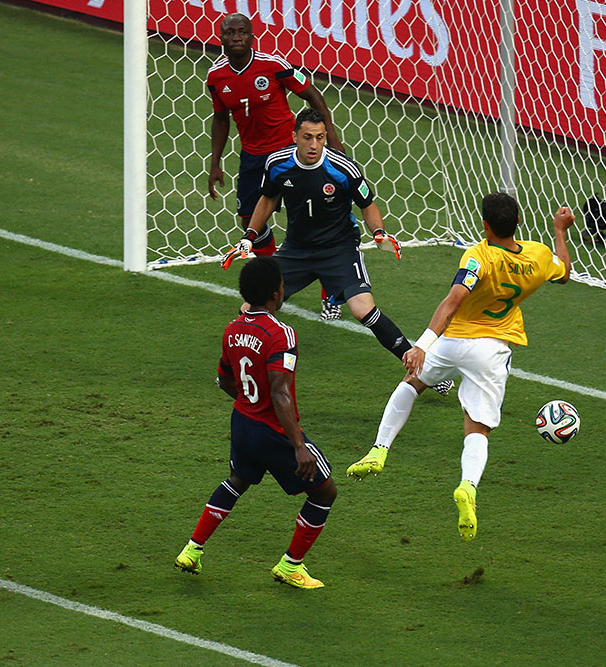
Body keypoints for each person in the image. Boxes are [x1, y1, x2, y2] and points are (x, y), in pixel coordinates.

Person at [347, 193, 575, 542]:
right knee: (477, 428)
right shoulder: (539, 256)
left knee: (411, 383)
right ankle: (467, 488)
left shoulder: (477, 256)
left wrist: (421, 346)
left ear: (485, 226)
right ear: (518, 221)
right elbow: (564, 273)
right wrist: (560, 230)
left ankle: (379, 449)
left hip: (454, 341)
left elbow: (453, 301)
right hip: (493, 350)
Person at [221, 107, 454, 396]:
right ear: (295, 137)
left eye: (320, 137)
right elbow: (268, 200)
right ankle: (231, 373)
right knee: (249, 308)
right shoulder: (277, 164)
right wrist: (249, 237)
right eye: (307, 137)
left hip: (339, 249)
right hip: (296, 250)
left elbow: (367, 204)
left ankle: (426, 371)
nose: (314, 145)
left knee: (362, 310)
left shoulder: (343, 168)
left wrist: (379, 232)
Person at [174, 256, 337, 589]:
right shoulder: (282, 335)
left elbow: (224, 380)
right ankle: (291, 566)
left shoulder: (232, 329)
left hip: (243, 423)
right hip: (274, 431)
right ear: (277, 294)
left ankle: (192, 550)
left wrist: (248, 402)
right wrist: (298, 446)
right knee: (324, 492)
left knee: (237, 480)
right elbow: (280, 394)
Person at [207, 13, 344, 320]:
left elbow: (312, 95)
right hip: (253, 158)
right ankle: (277, 279)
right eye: (230, 33)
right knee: (249, 221)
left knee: (316, 220)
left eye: (242, 32)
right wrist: (215, 162)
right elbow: (220, 118)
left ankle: (332, 294)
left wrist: (331, 137)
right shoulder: (216, 77)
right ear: (222, 37)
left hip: (287, 154)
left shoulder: (273, 65)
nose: (236, 37)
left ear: (252, 35)